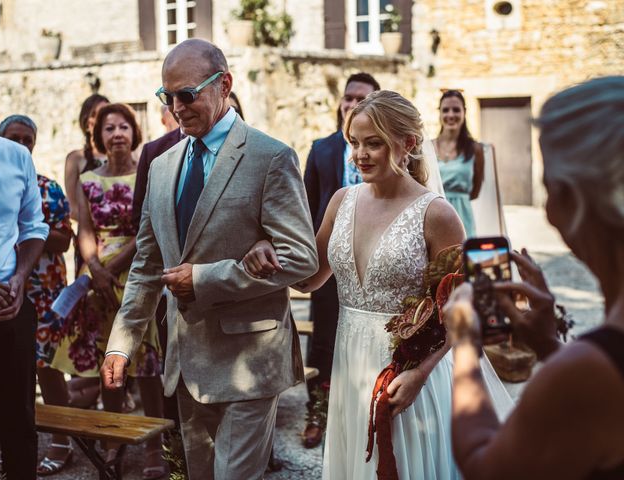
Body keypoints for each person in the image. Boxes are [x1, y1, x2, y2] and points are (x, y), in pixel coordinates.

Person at [244, 90, 513, 479]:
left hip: (409, 371)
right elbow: (308, 278)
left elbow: (461, 310)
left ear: (408, 144)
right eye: (354, 143)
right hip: (351, 360)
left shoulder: (437, 214)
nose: (360, 154)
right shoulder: (341, 201)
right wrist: (265, 247)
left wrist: (420, 375)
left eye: (374, 143)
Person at [100, 39, 318, 480]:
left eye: (187, 94)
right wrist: (122, 342)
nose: (177, 107)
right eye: (168, 97)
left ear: (224, 84)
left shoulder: (270, 157)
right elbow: (146, 263)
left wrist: (208, 278)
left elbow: (301, 258)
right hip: (184, 366)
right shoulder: (161, 166)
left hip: (250, 362)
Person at [445, 76, 624, 479]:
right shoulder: (591, 370)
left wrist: (465, 345)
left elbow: (483, 466)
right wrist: (548, 346)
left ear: (572, 200)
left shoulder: (586, 372)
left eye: (549, 188)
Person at [52, 103, 167, 479]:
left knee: (147, 365)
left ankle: (155, 445)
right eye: (108, 128)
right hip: (97, 279)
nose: (116, 134)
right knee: (108, 366)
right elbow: (84, 230)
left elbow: (147, 230)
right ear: (97, 136)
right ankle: (113, 441)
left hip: (136, 273)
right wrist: (95, 270)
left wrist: (111, 270)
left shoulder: (147, 175)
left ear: (134, 133)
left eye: (123, 127)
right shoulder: (88, 179)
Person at [301, 72, 380, 448]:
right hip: (329, 263)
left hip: (378, 266)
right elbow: (305, 209)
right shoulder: (322, 150)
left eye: (361, 98)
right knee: (322, 342)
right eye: (348, 98)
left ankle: (366, 408)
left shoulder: (389, 156)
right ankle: (317, 411)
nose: (351, 104)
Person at [0, 114, 75, 476]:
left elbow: (63, 239)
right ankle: (11, 445)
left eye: (28, 139)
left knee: (47, 369)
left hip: (43, 289)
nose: (22, 144)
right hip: (1, 288)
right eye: (15, 137)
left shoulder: (48, 187)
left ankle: (61, 443)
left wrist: (31, 231)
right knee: (6, 374)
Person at [0, 65, 49, 480]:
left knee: (18, 422)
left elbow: (34, 226)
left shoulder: (16, 157)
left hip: (9, 309)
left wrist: (22, 276)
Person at [432, 89, 484, 237]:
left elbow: (475, 190)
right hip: (434, 218)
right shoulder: (427, 149)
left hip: (463, 218)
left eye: (456, 110)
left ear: (464, 112)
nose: (450, 115)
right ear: (440, 113)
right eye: (445, 110)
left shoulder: (475, 149)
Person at [64, 93, 110, 221]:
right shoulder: (75, 159)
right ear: (88, 123)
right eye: (102, 115)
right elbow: (72, 207)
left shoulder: (125, 156)